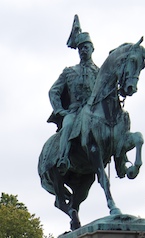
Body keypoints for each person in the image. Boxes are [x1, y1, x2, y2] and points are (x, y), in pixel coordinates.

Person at [47, 15, 99, 173]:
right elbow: (53, 91)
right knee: (68, 125)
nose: (83, 50)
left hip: (94, 112)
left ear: (92, 49)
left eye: (86, 47)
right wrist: (60, 110)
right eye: (81, 47)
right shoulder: (69, 72)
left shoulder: (99, 73)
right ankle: (63, 157)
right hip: (75, 112)